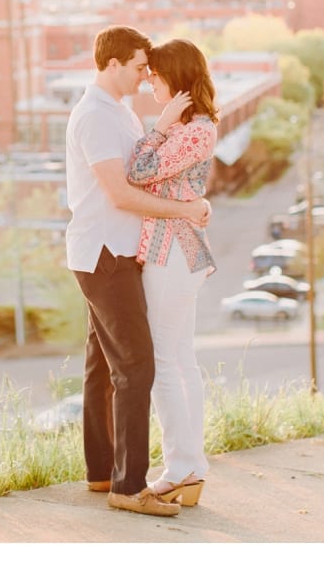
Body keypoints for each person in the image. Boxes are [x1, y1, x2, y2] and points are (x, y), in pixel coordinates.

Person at [64, 25, 211, 518]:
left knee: (102, 365)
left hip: (123, 250)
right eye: (139, 66)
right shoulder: (96, 118)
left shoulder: (120, 113)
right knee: (137, 366)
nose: (147, 74)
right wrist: (188, 211)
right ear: (111, 64)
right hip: (106, 253)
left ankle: (101, 471)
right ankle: (129, 487)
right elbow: (122, 193)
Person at [125, 37, 218, 507]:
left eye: (155, 75)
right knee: (178, 358)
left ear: (176, 78)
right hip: (171, 252)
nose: (149, 81)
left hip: (175, 253)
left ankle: (182, 468)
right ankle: (189, 467)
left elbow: (138, 172)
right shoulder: (191, 128)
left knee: (167, 360)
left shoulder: (195, 130)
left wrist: (158, 127)